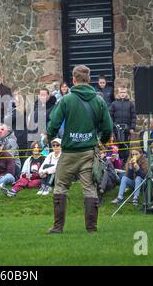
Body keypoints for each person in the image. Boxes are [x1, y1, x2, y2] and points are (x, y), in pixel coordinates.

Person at [47, 65, 113, 233]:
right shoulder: (99, 100)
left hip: (69, 152)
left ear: (74, 80)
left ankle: (57, 227)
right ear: (89, 80)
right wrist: (102, 141)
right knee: (90, 189)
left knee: (60, 187)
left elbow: (53, 123)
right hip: (89, 152)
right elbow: (107, 127)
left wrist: (50, 138)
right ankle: (91, 228)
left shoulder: (66, 100)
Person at [109, 87, 136, 163]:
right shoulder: (114, 103)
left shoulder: (130, 104)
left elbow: (133, 116)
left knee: (126, 146)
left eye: (124, 92)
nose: (122, 94)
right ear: (118, 93)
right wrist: (113, 126)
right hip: (116, 130)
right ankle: (118, 163)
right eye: (121, 92)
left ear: (127, 93)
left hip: (126, 130)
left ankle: (125, 163)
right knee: (117, 147)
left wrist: (132, 128)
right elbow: (110, 116)